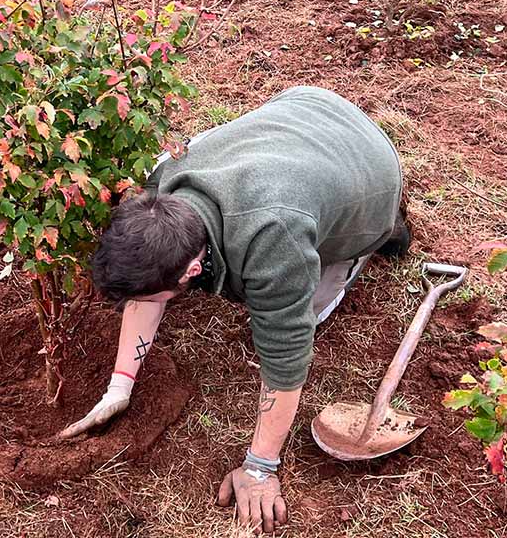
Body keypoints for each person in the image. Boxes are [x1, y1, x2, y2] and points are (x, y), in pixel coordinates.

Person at [58, 86, 409, 535]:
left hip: (372, 169)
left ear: (192, 266)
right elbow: (146, 291)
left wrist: (260, 468)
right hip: (304, 107)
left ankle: (364, 246)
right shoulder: (161, 187)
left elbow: (285, 360)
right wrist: (118, 388)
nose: (144, 301)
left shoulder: (272, 238)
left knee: (305, 309)